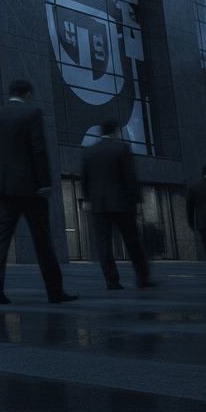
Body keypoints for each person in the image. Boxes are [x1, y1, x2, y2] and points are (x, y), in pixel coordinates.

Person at [0, 78, 78, 304]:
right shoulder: (32, 112)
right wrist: (45, 182)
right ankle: (55, 291)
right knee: (42, 239)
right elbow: (38, 149)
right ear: (28, 94)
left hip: (3, 188)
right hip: (30, 188)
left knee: (0, 240)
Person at [80, 119, 156, 290]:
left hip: (99, 206)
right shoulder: (122, 149)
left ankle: (111, 281)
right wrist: (137, 200)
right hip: (122, 203)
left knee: (104, 245)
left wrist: (88, 199)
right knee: (132, 242)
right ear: (115, 131)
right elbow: (130, 177)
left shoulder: (89, 152)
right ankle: (142, 278)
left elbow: (84, 180)